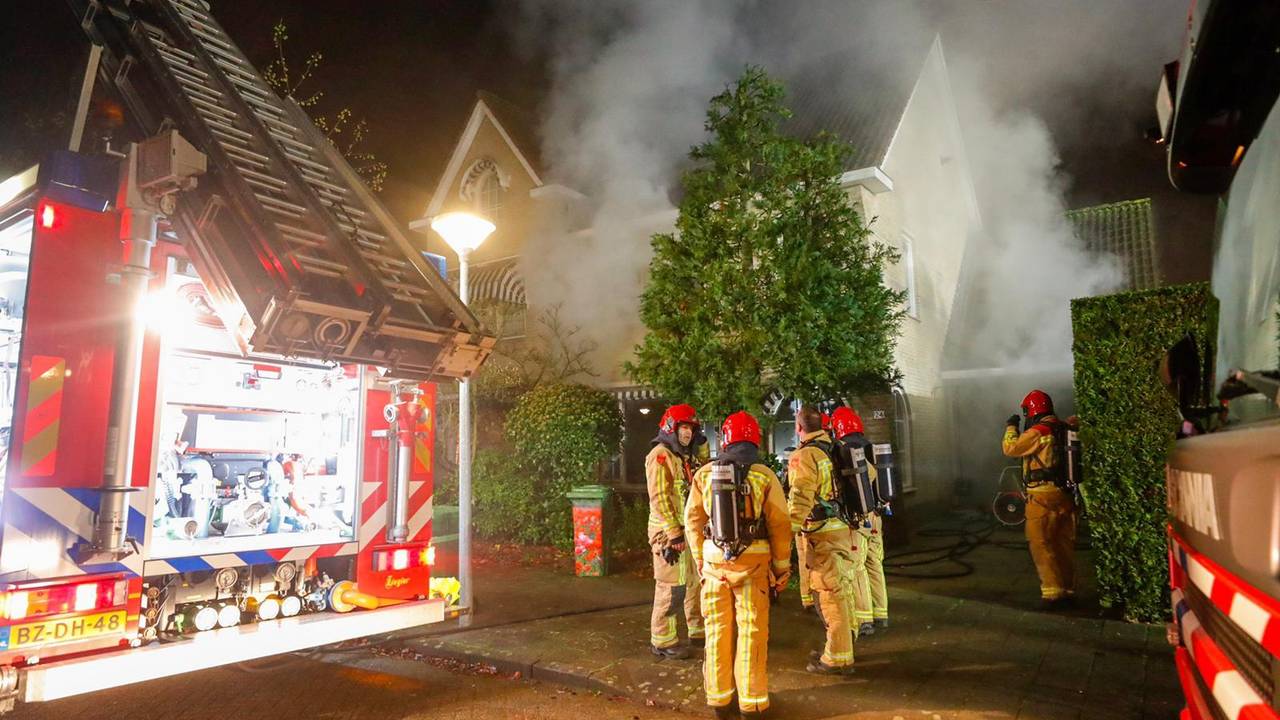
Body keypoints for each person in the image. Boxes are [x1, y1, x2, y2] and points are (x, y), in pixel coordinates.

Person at [686, 411, 791, 718]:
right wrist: (781, 568)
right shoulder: (764, 474)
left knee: (716, 629)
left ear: (725, 439)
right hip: (754, 563)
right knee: (752, 631)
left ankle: (718, 700)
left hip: (714, 563)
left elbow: (692, 521)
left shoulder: (705, 474)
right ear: (755, 439)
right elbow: (780, 524)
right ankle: (752, 703)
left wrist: (701, 560)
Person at [787, 405, 857, 675]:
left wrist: (786, 535)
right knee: (843, 592)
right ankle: (840, 647)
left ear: (799, 427)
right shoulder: (837, 449)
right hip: (846, 530)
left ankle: (837, 659)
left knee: (829, 596)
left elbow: (800, 498)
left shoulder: (805, 456)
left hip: (823, 535)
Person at [1002, 389, 1078, 608]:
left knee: (1041, 542)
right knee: (1063, 544)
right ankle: (1069, 589)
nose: (1026, 417)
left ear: (1033, 410)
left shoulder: (1039, 431)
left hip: (1041, 497)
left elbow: (1011, 448)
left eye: (1026, 412)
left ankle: (1053, 593)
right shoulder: (1063, 428)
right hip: (1065, 494)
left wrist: (1011, 427)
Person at [646, 404, 705, 658]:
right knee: (672, 587)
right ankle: (663, 640)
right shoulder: (660, 455)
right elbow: (659, 497)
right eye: (683, 427)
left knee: (694, 583)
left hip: (687, 531)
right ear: (671, 427)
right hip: (668, 535)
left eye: (691, 429)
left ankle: (697, 630)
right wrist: (673, 533)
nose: (687, 434)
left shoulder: (684, 457)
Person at [830, 406, 889, 634]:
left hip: (860, 517)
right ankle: (881, 612)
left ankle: (865, 619)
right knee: (875, 563)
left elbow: (864, 478)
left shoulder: (848, 451)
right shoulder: (870, 447)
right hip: (877, 515)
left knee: (858, 566)